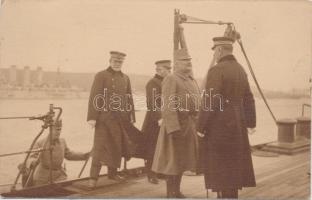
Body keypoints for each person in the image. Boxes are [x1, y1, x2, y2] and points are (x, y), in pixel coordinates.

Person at [197, 37, 257, 198]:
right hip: (238, 127)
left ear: (219, 50)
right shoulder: (240, 69)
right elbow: (249, 98)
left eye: (215, 52)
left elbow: (210, 99)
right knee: (233, 169)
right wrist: (251, 123)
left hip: (219, 129)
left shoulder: (217, 70)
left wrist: (200, 127)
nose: (215, 56)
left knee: (220, 169)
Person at [152, 49, 200, 198]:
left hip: (189, 126)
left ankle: (177, 191)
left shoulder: (191, 80)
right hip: (176, 127)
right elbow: (167, 105)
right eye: (186, 61)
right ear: (177, 64)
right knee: (172, 162)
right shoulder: (171, 79)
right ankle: (171, 193)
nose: (189, 63)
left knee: (181, 161)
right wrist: (173, 129)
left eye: (190, 61)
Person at [87, 51, 136, 188]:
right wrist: (92, 117)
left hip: (120, 118)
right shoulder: (101, 75)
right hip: (104, 118)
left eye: (120, 62)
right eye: (115, 61)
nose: (117, 64)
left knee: (117, 146)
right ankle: (93, 177)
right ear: (110, 61)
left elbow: (129, 98)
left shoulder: (125, 78)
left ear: (122, 63)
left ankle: (112, 174)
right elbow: (94, 96)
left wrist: (131, 115)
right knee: (99, 147)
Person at [19, 119, 89, 187]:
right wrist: (33, 162)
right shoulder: (41, 143)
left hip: (60, 176)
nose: (59, 132)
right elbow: (31, 157)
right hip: (43, 178)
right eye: (56, 129)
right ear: (50, 129)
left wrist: (84, 156)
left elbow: (69, 154)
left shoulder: (62, 141)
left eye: (60, 129)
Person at [141, 60, 172, 184]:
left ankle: (160, 171)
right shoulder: (152, 83)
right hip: (154, 121)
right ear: (158, 70)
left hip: (166, 118)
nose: (169, 72)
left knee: (162, 147)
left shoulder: (168, 81)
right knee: (152, 147)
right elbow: (152, 103)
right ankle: (151, 174)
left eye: (170, 69)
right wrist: (159, 118)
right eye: (167, 69)